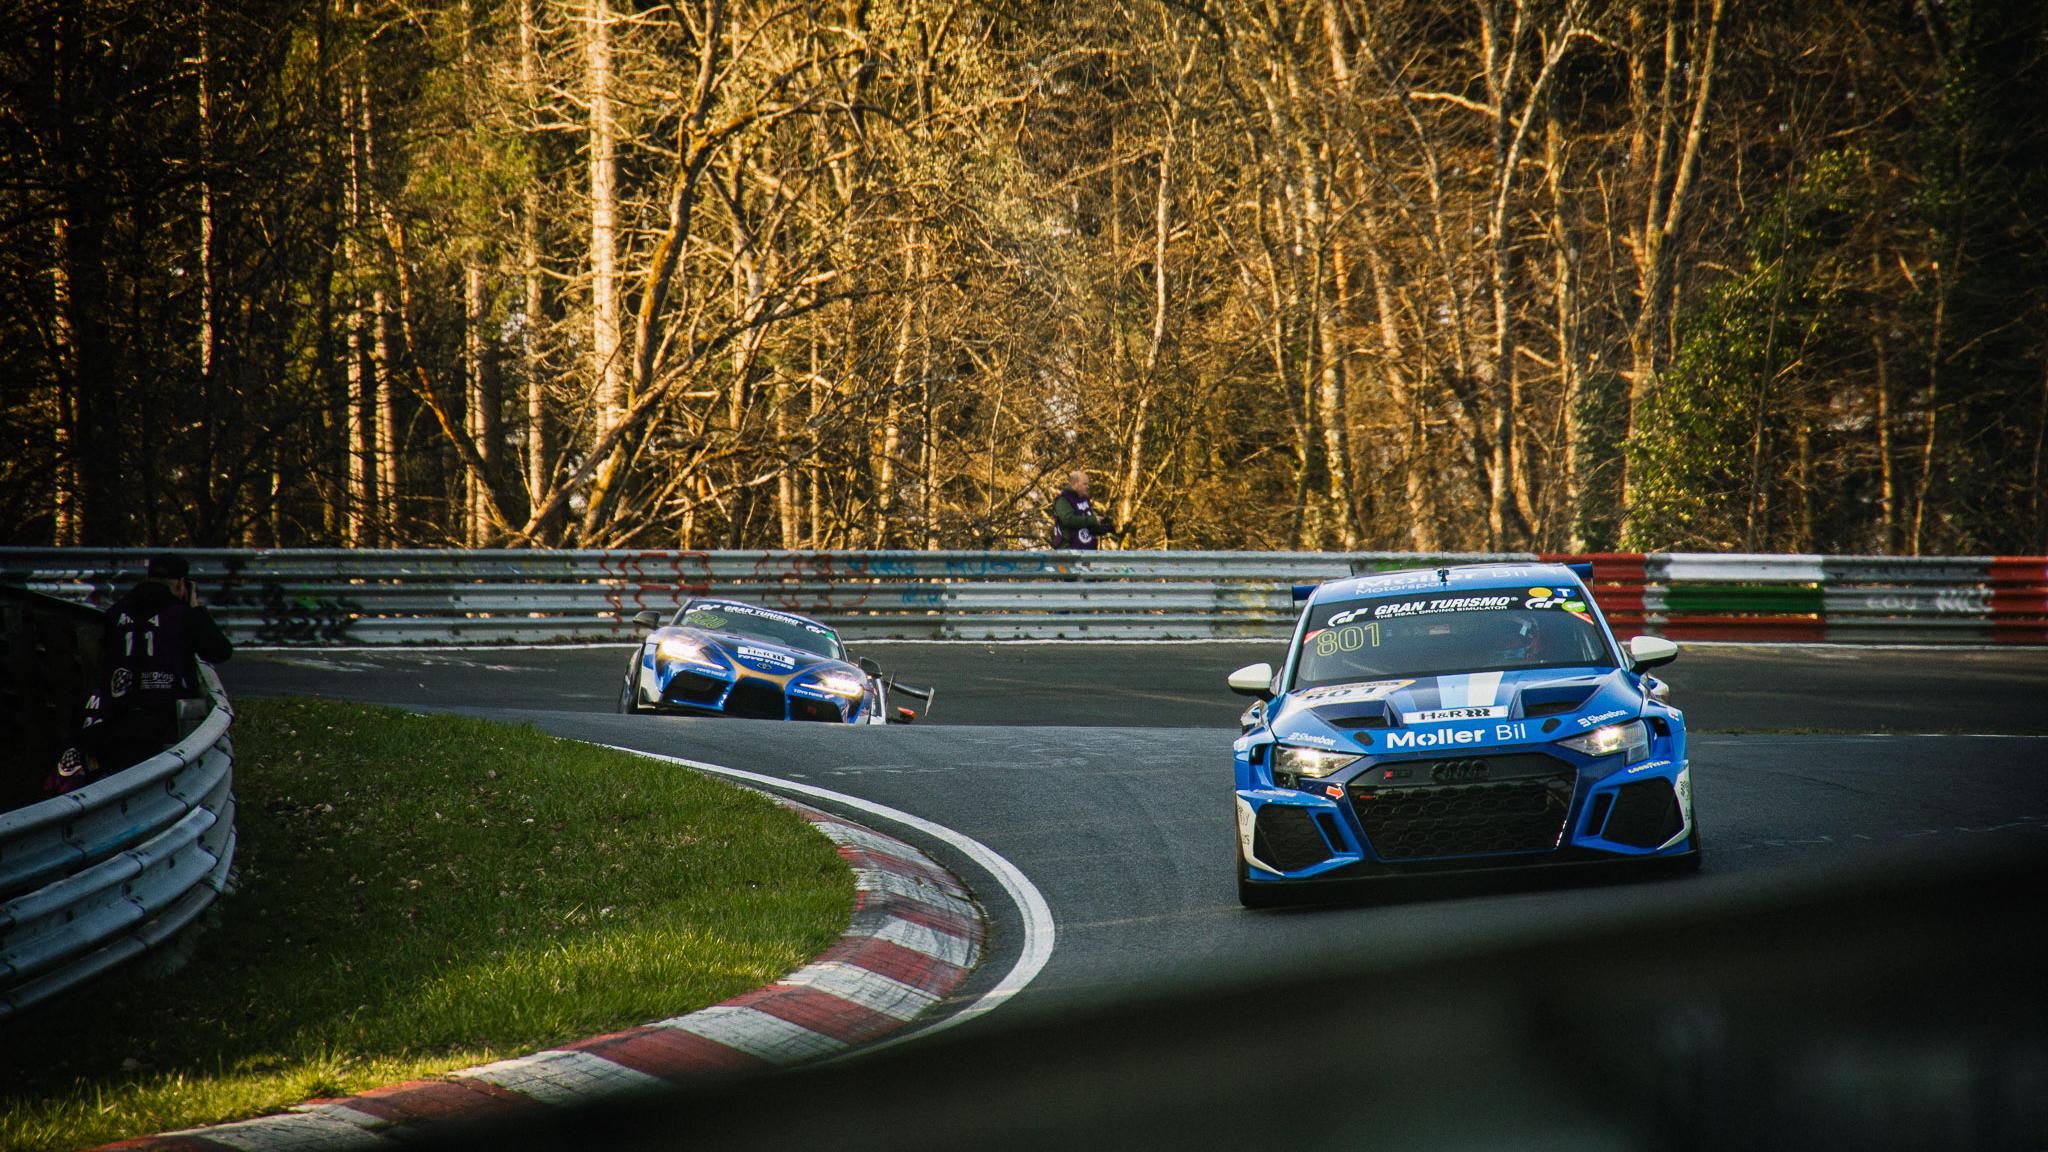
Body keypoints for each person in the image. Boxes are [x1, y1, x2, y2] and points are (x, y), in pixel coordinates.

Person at [55, 553, 233, 792]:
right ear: (181, 583)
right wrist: (196, 607)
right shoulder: (183, 615)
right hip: (160, 721)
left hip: (114, 717)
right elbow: (220, 652)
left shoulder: (115, 612)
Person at [1049, 470, 1118, 550]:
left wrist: (1108, 528)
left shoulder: (1084, 500)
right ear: (1075, 484)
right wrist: (1092, 519)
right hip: (1069, 551)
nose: (1088, 486)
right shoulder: (1063, 500)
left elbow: (1090, 527)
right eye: (1085, 484)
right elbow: (1068, 519)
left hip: (1087, 551)